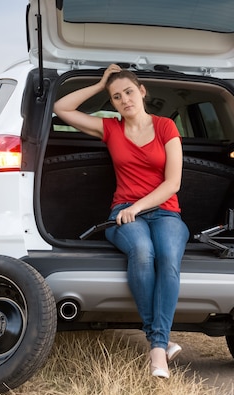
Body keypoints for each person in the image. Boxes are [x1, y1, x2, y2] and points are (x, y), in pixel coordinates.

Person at [53, 64, 189, 378]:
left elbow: (173, 184)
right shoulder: (110, 128)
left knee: (168, 258)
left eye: (128, 91)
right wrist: (101, 84)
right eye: (115, 97)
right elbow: (61, 108)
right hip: (123, 212)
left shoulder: (166, 127)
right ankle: (159, 347)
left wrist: (140, 207)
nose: (124, 100)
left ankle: (158, 342)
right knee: (142, 253)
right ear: (112, 103)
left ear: (142, 92)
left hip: (165, 211)